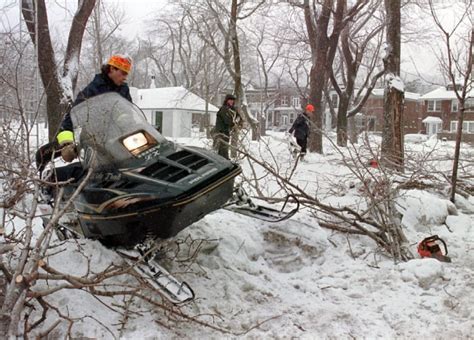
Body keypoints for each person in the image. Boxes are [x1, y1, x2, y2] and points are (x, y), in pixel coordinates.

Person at [37, 55, 133, 190]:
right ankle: (53, 179)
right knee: (97, 173)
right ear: (112, 69)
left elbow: (129, 112)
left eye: (126, 74)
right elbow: (72, 115)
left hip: (119, 138)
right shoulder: (92, 89)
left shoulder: (124, 89)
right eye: (123, 73)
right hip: (95, 139)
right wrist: (67, 143)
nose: (125, 77)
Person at [212, 94, 241, 159]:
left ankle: (224, 160)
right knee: (222, 149)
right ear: (226, 101)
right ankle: (224, 161)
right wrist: (234, 123)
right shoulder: (224, 109)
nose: (231, 102)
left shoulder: (233, 109)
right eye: (230, 100)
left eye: (232, 100)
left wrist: (237, 121)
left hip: (227, 132)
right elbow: (227, 121)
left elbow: (239, 117)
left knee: (225, 148)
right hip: (221, 132)